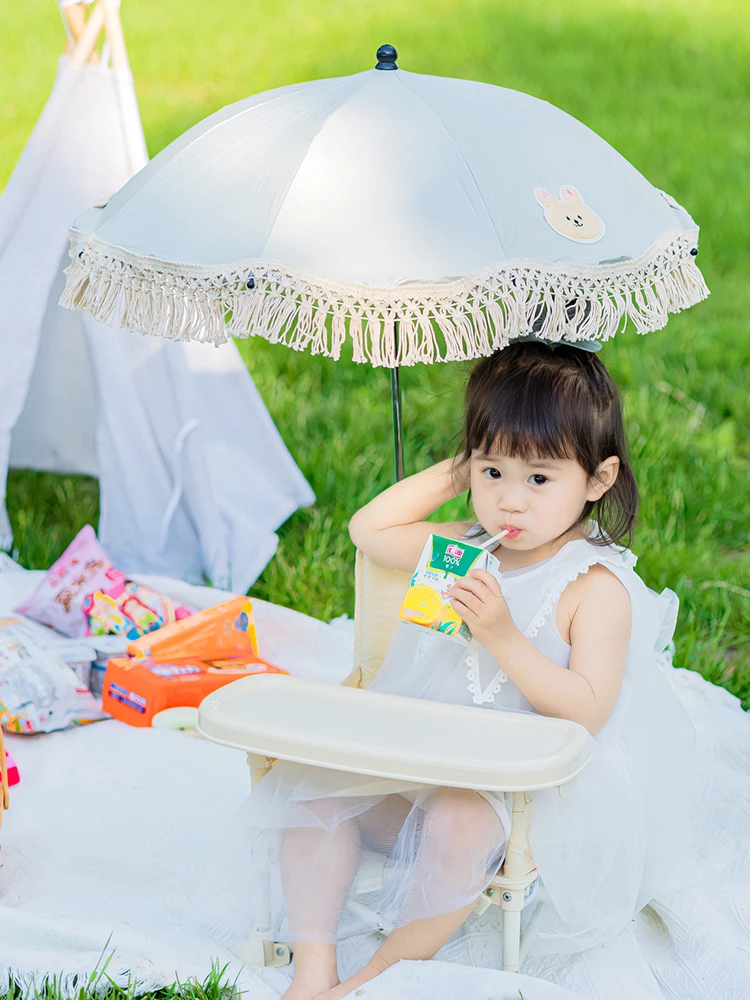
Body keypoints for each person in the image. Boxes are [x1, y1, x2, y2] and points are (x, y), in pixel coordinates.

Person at [224, 341, 695, 1000]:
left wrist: (502, 635)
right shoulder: (463, 548)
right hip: (414, 759)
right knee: (316, 793)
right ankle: (312, 968)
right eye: (493, 472)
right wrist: (461, 467)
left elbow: (588, 709)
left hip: (514, 799)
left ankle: (373, 977)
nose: (510, 503)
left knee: (456, 820)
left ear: (597, 480)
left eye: (539, 479)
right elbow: (370, 530)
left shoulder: (592, 586)